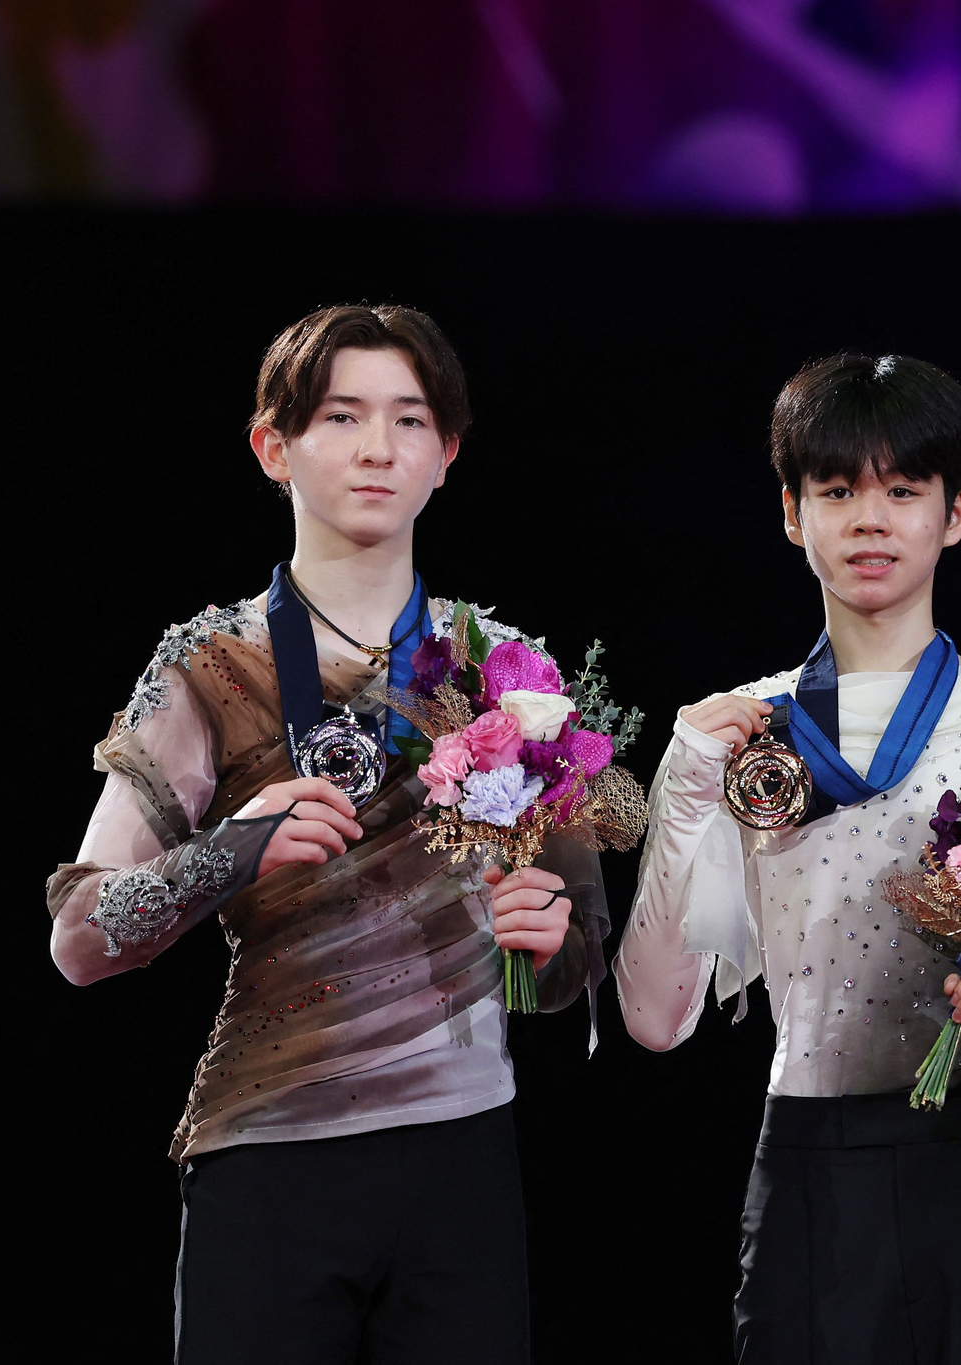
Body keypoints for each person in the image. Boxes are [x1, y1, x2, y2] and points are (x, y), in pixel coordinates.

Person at [45, 304, 604, 1364]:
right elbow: (78, 939)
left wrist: (548, 943)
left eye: (408, 419)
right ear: (274, 446)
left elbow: (576, 962)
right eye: (341, 416)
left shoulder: (510, 671)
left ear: (447, 452)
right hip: (272, 1154)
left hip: (462, 1161)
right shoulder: (212, 667)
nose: (376, 449)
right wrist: (233, 846)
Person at [614, 353, 961, 1364]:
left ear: (953, 514)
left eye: (903, 490)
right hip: (811, 1173)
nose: (870, 519)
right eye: (836, 490)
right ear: (791, 513)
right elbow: (653, 1018)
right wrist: (683, 785)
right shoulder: (737, 735)